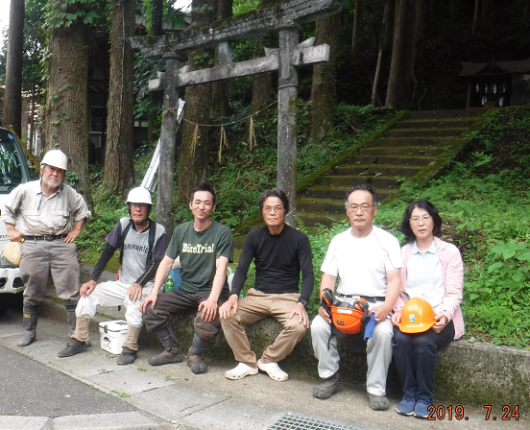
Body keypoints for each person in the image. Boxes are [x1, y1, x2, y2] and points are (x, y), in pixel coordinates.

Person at [311, 184, 402, 411]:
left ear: (374, 210)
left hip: (375, 306)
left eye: (364, 207)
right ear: (347, 211)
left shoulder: (387, 241)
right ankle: (331, 377)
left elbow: (394, 281)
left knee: (383, 332)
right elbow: (329, 279)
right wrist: (325, 304)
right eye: (354, 207)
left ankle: (376, 389)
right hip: (343, 304)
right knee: (318, 325)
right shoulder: (338, 241)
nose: (359, 212)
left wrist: (387, 307)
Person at [57, 187, 166, 365]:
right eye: (134, 205)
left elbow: (156, 263)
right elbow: (107, 252)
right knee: (88, 294)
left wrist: (138, 283)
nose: (138, 209)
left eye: (143, 206)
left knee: (133, 300)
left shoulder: (158, 231)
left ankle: (130, 347)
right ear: (129, 208)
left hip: (147, 285)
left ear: (149, 209)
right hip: (123, 283)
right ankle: (79, 339)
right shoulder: (123, 225)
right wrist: (93, 279)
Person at [219, 188, 314, 382]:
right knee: (227, 313)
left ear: (285, 211)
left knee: (299, 326)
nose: (272, 212)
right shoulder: (254, 237)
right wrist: (234, 295)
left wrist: (302, 302)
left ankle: (268, 359)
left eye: (277, 208)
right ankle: (247, 362)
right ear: (262, 211)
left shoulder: (299, 239)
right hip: (258, 296)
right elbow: (242, 269)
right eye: (267, 208)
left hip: (288, 298)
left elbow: (309, 274)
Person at [0, 149, 91, 347]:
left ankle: (76, 335)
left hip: (62, 244)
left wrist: (76, 230)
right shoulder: (25, 190)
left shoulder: (69, 194)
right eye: (51, 169)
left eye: (59, 171)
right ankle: (28, 332)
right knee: (32, 289)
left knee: (71, 290)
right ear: (42, 170)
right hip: (32, 244)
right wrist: (11, 229)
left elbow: (83, 212)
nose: (55, 174)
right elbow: (6, 208)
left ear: (64, 174)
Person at [140, 183, 234, 374]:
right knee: (150, 307)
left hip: (211, 291)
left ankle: (195, 354)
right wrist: (154, 292)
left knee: (210, 314)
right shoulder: (182, 231)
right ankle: (172, 350)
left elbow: (221, 268)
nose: (201, 206)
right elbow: (166, 263)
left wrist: (213, 300)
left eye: (207, 203)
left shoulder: (222, 233)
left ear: (213, 207)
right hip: (186, 289)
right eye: (197, 202)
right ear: (190, 205)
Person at [391, 199, 464, 418]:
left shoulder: (449, 252)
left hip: (439, 317)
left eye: (425, 217)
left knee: (424, 342)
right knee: (401, 340)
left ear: (434, 221)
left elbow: (454, 293)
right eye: (415, 219)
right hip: (410, 317)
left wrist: (444, 315)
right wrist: (397, 311)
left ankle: (424, 398)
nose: (421, 223)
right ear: (409, 224)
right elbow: (397, 290)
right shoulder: (403, 253)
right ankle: (408, 394)